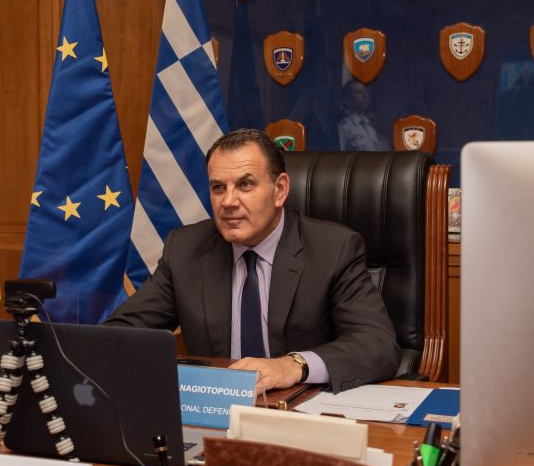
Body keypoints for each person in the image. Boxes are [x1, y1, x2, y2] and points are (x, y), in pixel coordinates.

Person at [105, 128, 400, 394]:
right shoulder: (185, 250)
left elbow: (377, 345)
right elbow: (123, 332)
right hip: (215, 409)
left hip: (299, 411)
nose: (228, 201)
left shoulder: (333, 249)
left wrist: (293, 365)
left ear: (279, 190)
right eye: (218, 187)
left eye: (245, 185)